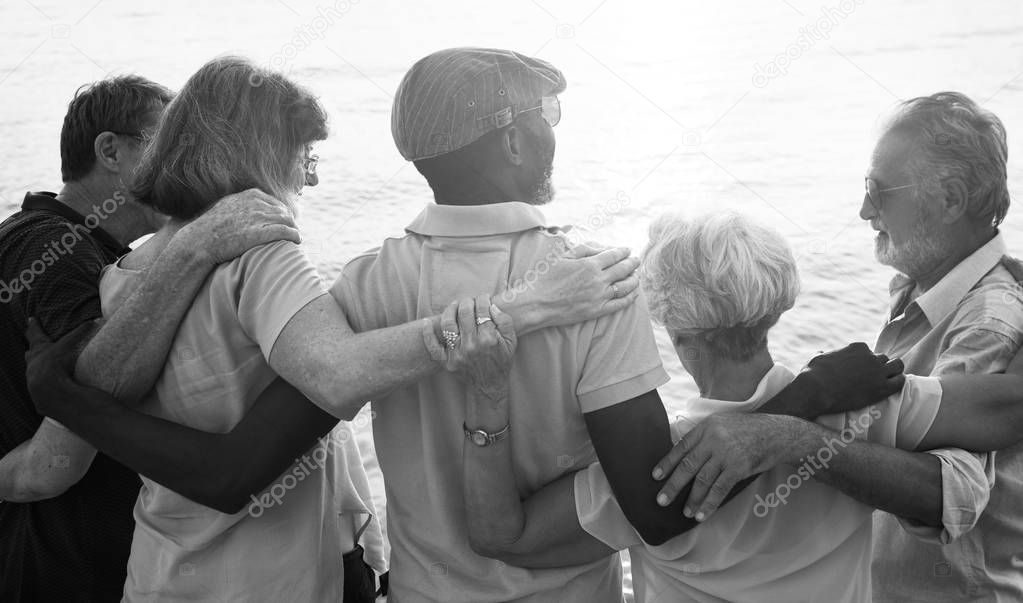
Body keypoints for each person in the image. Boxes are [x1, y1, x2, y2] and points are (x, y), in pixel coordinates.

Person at [21, 55, 645, 602]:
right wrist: (524, 308)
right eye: (304, 155)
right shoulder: (260, 260)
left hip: (159, 570)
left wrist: (61, 392)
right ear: (259, 153)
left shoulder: (126, 272)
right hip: (271, 583)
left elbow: (112, 390)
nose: (311, 178)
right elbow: (337, 376)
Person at [328, 47, 906, 602]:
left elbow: (312, 402)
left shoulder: (365, 284)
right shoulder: (597, 281)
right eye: (548, 114)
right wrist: (812, 394)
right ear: (512, 140)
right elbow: (658, 500)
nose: (554, 132)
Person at [451, 211, 1023, 602]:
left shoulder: (658, 474)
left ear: (677, 333)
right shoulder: (862, 406)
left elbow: (502, 534)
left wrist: (488, 392)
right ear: (774, 307)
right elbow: (1004, 411)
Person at [651, 92, 1023, 602]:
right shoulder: (923, 291)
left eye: (878, 189)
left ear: (952, 199)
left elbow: (952, 491)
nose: (865, 208)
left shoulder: (987, 320)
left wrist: (792, 438)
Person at [0, 75, 302, 602]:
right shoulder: (60, 253)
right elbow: (53, 464)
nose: (180, 164)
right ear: (110, 151)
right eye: (166, 145)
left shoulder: (35, 235)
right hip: (64, 566)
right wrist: (198, 245)